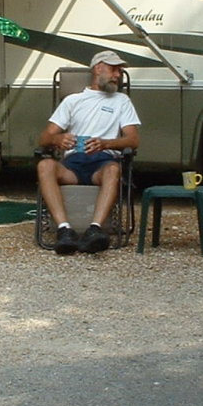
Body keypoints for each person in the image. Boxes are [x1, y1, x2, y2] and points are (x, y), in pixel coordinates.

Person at [37, 50, 140, 254]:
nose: (117, 75)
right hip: (73, 163)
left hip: (102, 163)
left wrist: (105, 144)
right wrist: (58, 139)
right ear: (98, 68)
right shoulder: (73, 101)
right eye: (113, 69)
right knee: (45, 165)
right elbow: (44, 139)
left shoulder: (121, 101)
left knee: (113, 169)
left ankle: (95, 230)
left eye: (119, 71)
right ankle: (64, 230)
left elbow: (133, 140)